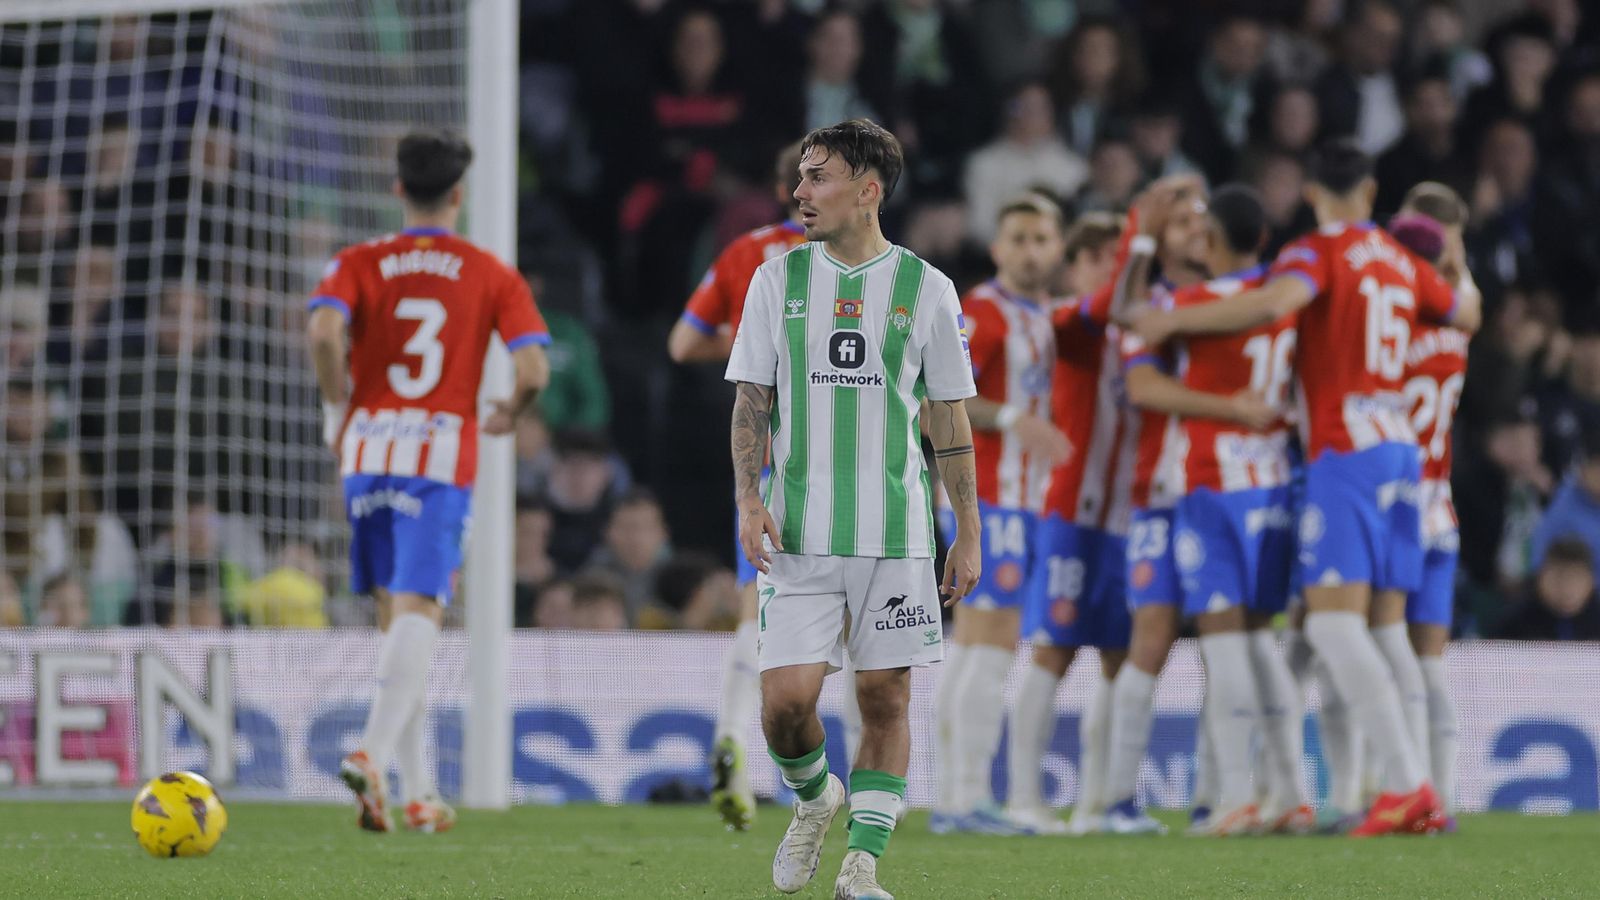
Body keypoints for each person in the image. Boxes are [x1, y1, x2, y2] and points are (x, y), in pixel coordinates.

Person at [1134, 138, 1481, 836]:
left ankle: (1406, 785)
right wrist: (1460, 258)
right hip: (1401, 456)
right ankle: (1417, 789)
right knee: (1383, 628)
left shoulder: (1318, 253)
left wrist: (1174, 317)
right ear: (1373, 191)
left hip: (1345, 452)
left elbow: (1273, 305)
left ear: (1313, 194)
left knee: (1329, 621)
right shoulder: (1400, 259)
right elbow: (1465, 315)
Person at [725, 119, 978, 900]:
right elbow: (751, 401)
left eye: (817, 177)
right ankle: (814, 799)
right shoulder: (777, 280)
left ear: (867, 191)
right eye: (801, 177)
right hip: (798, 529)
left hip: (898, 532)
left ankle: (861, 867)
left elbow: (948, 418)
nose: (799, 193)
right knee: (785, 706)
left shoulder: (927, 288)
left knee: (884, 698)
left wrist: (967, 530)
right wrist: (745, 499)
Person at [305, 129, 551, 834]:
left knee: (395, 616)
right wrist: (511, 408)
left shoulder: (358, 260)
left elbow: (324, 333)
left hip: (367, 446)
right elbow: (533, 370)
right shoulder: (489, 272)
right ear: (459, 196)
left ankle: (416, 791)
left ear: (398, 191)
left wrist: (335, 405)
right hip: (439, 451)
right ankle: (372, 754)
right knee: (422, 610)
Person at [1115, 184, 1310, 835]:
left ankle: (1234, 799)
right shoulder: (1285, 301)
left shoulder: (1191, 304)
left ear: (1215, 241)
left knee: (1225, 646)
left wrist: (1145, 252)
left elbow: (1133, 322)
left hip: (1212, 484)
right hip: (1275, 484)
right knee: (1263, 643)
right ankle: (1292, 793)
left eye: (1202, 229)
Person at [666, 141, 812, 832]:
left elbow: (682, 344)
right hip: (837, 450)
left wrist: (751, 339)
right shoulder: (862, 260)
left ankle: (732, 738)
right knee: (831, 615)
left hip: (759, 451)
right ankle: (803, 770)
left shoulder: (744, 254)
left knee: (760, 604)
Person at [932, 194, 1070, 835]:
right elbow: (940, 395)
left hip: (1020, 500)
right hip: (986, 496)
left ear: (1058, 247)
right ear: (997, 248)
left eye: (1042, 238)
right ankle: (963, 801)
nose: (1030, 250)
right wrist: (1015, 419)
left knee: (975, 645)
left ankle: (954, 796)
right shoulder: (982, 312)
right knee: (991, 642)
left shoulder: (1042, 315)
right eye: (1018, 238)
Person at [1004, 210, 1131, 837]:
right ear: (1078, 266)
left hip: (1125, 520)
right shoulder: (1071, 326)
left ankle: (1098, 804)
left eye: (1120, 254)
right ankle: (1024, 797)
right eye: (1103, 256)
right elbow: (1105, 303)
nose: (1115, 266)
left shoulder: (1135, 334)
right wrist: (1146, 235)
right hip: (1071, 517)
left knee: (1119, 657)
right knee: (1052, 653)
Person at [1392, 183, 1474, 831]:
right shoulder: (1457, 330)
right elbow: (1467, 304)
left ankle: (1387, 789)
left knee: (1376, 655)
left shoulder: (1392, 329)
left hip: (1392, 508)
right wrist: (1459, 261)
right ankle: (1440, 797)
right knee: (1428, 664)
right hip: (1440, 511)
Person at [1496, 538, 1600, 640]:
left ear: (1591, 583)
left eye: (1575, 579)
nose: (1566, 588)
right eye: (1558, 578)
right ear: (1540, 578)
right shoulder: (1513, 626)